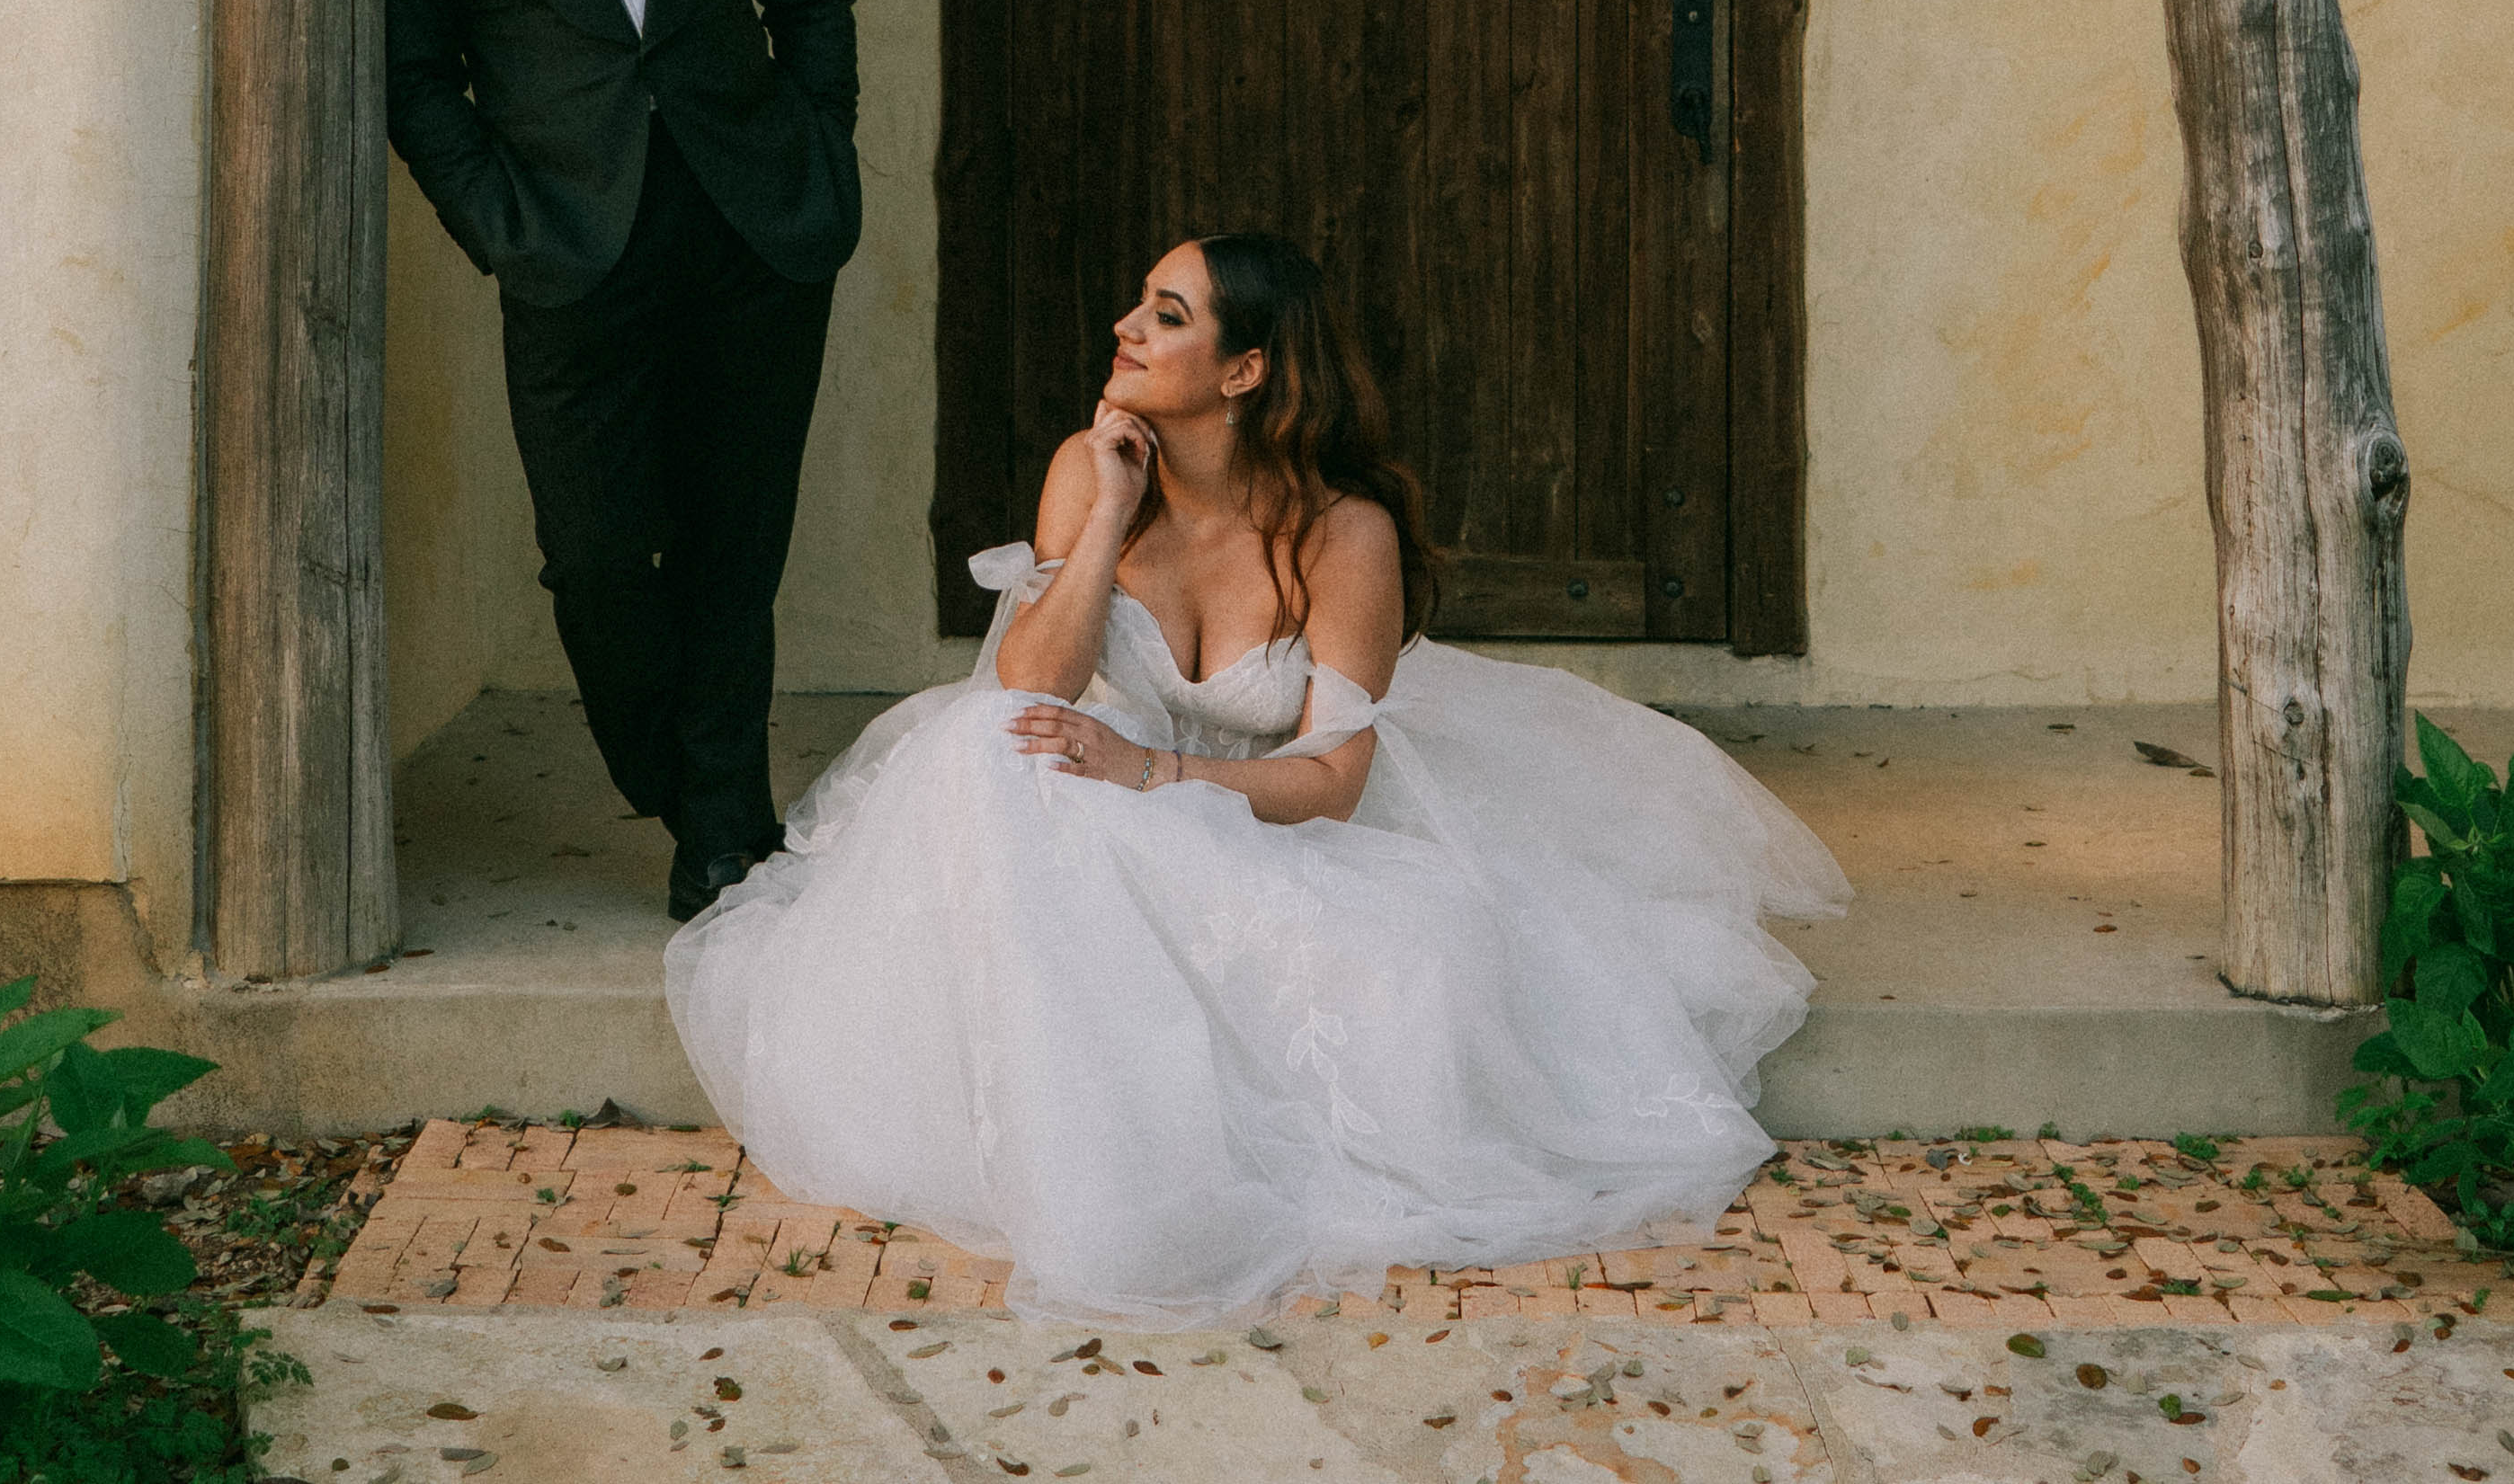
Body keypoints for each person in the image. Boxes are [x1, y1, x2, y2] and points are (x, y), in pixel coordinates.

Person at [667, 229, 1848, 1316]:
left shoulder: (1346, 533)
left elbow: (1333, 774)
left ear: (1242, 371)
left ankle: (1133, 1187)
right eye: (1137, 302)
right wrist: (1111, 511)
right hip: (1107, 790)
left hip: (1283, 820)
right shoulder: (1092, 468)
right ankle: (1063, 1148)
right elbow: (1027, 685)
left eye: (1167, 314)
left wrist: (1154, 772)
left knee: (1329, 946)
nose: (1126, 325)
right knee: (979, 753)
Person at [384, 0, 859, 916]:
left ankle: (723, 829)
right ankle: (673, 769)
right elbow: (415, 77)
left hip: (750, 224)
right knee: (594, 559)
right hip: (569, 245)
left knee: (734, 541)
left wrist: (814, 146)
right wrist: (502, 224)